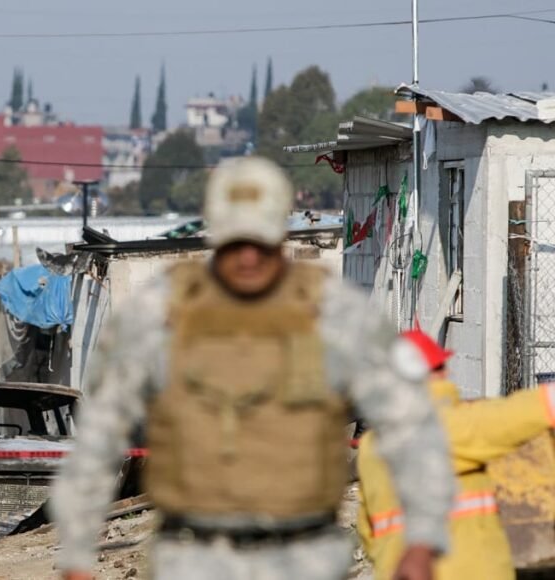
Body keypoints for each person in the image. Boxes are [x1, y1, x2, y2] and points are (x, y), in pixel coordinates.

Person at [50, 156, 456, 580]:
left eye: (259, 244)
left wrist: (422, 540)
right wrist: (78, 550)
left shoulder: (335, 313)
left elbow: (412, 424)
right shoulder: (159, 313)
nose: (247, 258)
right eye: (234, 243)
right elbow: (99, 434)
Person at [357, 328, 555, 580]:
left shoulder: (371, 445)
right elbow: (514, 415)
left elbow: (367, 528)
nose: (447, 373)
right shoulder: (441, 427)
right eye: (439, 366)